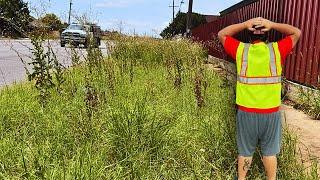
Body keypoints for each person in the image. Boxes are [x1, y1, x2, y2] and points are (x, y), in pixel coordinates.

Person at [217, 17, 301, 180]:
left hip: (246, 111)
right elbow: (296, 32)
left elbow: (222, 34)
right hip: (270, 112)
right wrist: (272, 25)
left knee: (245, 152)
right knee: (269, 152)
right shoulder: (276, 50)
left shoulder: (241, 50)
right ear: (267, 36)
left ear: (249, 36)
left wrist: (244, 24)